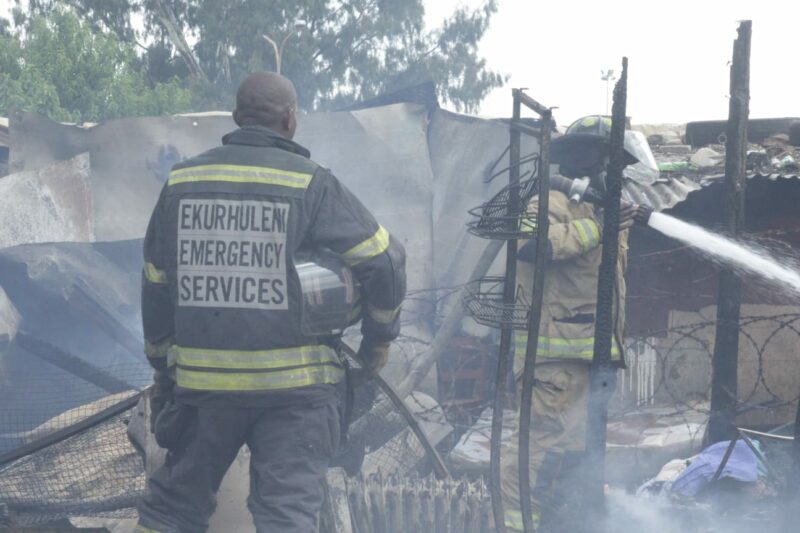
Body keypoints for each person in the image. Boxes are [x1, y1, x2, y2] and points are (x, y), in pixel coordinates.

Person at [135, 71, 406, 533]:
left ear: (237, 117)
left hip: (205, 394)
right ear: (290, 119)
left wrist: (163, 368)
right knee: (287, 518)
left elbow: (157, 284)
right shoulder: (312, 184)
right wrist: (377, 340)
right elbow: (385, 262)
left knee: (171, 512)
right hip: (295, 400)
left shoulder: (183, 181)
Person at [500, 116, 657, 531]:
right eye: (609, 161)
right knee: (532, 449)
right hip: (555, 362)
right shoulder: (546, 204)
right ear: (586, 158)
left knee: (574, 455)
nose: (615, 173)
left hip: (591, 358)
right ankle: (516, 526)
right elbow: (531, 247)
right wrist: (597, 227)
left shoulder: (601, 210)